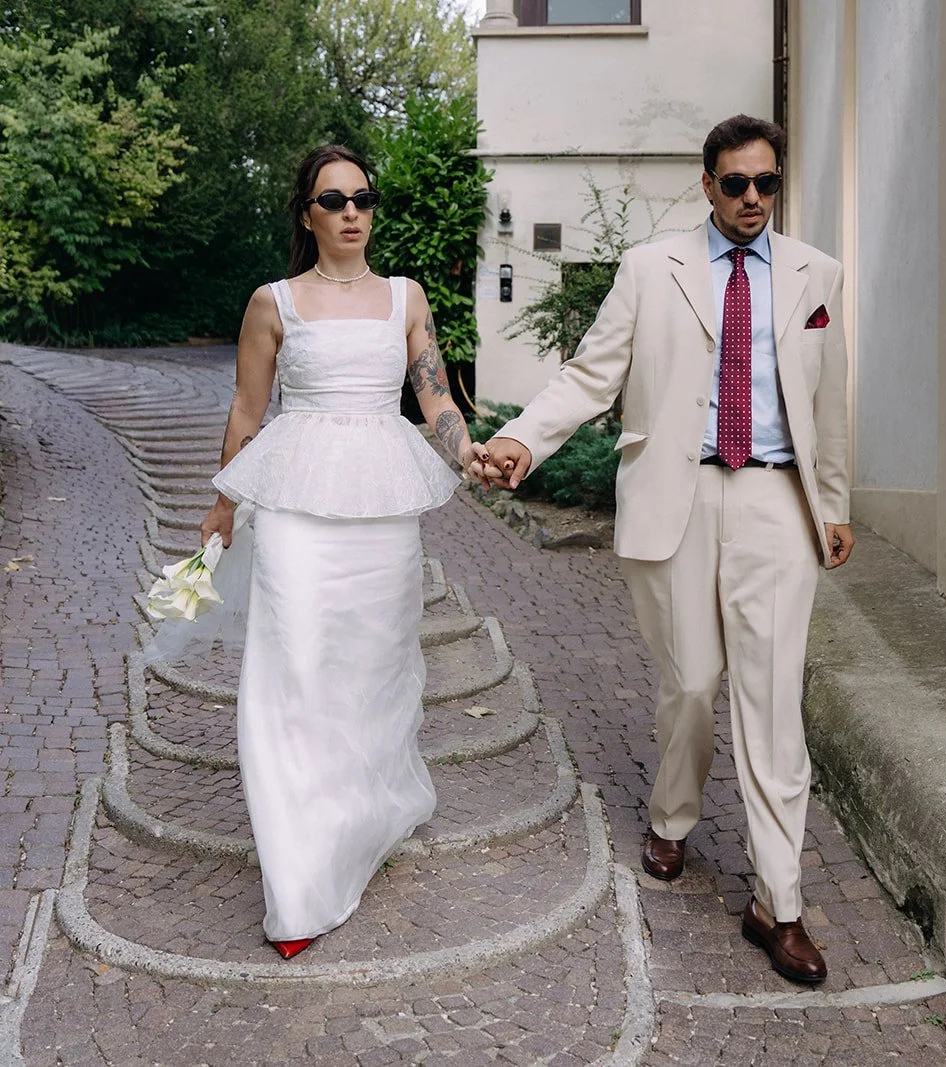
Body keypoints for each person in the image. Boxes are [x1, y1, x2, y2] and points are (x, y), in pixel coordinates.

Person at [474, 115, 854, 984]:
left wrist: (832, 502)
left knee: (770, 704)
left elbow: (827, 400)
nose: (752, 198)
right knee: (689, 684)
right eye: (735, 183)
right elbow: (588, 374)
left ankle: (779, 903)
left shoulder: (817, 275)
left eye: (766, 182)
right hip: (673, 500)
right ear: (707, 185)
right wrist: (526, 442)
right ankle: (672, 815)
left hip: (774, 499)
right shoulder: (652, 270)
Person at [199, 145, 490, 959]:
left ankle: (362, 811)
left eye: (363, 197)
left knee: (374, 666)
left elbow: (434, 394)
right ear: (308, 214)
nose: (352, 211)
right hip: (294, 505)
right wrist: (224, 503)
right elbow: (247, 409)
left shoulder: (405, 298)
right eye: (334, 199)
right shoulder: (273, 304)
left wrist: (467, 453)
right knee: (289, 666)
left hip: (380, 510)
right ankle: (298, 882)